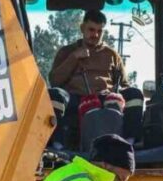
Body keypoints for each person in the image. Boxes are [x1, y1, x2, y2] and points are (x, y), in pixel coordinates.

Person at [47, 10, 146, 143]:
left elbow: (124, 84)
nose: (95, 34)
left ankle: (130, 142)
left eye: (100, 31)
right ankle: (57, 145)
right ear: (82, 28)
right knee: (54, 95)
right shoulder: (67, 52)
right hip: (76, 98)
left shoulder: (112, 55)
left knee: (135, 94)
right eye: (91, 30)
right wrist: (74, 58)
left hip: (106, 98)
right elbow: (54, 81)